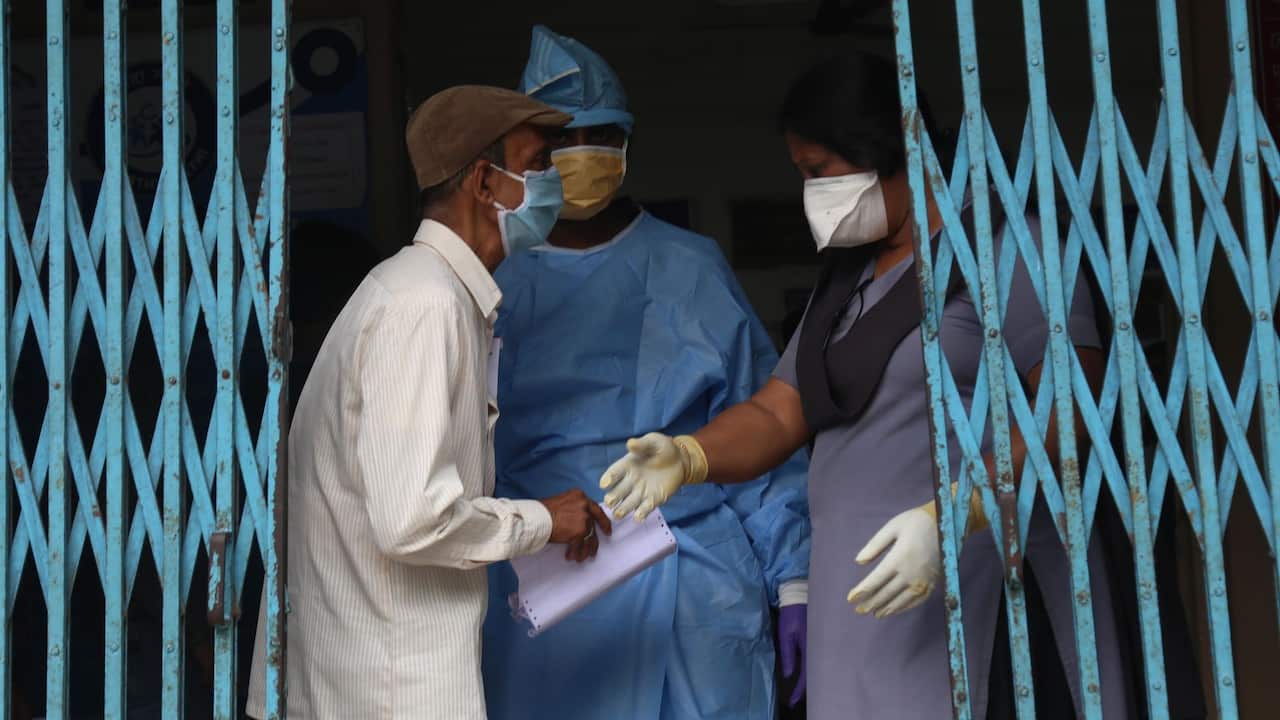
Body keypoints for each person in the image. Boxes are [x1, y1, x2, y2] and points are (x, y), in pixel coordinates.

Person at [596, 53, 1140, 719]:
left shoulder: (1005, 250)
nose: (811, 194)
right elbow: (778, 410)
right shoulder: (847, 280)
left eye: (818, 172)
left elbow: (1071, 408)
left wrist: (954, 516)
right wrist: (690, 455)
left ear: (887, 149)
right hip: (854, 602)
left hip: (964, 581)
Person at [245, 85, 612, 720]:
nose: (552, 182)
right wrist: (543, 522)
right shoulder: (424, 304)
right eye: (537, 165)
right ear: (484, 183)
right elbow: (412, 518)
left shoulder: (436, 296)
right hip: (383, 689)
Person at [480, 26, 812, 720]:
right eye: (558, 141)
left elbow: (762, 432)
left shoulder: (690, 268)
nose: (579, 156)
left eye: (596, 136)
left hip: (692, 580)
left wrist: (794, 580)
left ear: (626, 143)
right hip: (545, 574)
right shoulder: (493, 281)